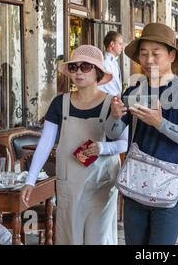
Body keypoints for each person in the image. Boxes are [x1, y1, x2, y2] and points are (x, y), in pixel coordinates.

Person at [105, 23, 178, 245]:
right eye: (143, 53)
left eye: (155, 53)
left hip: (169, 188)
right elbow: (112, 133)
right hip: (135, 184)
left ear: (170, 55)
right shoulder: (133, 91)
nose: (148, 60)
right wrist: (114, 116)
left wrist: (160, 123)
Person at [21, 45, 127, 245]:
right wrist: (31, 180)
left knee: (99, 239)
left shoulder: (112, 103)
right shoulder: (60, 103)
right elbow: (45, 143)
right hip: (69, 183)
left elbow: (124, 143)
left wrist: (103, 148)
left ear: (98, 72)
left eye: (85, 67)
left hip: (101, 184)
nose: (78, 72)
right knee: (69, 238)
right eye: (74, 67)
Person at [98, 31, 124, 96]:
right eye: (120, 44)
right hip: (107, 102)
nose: (122, 47)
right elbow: (100, 86)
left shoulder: (114, 62)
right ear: (112, 44)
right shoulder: (104, 62)